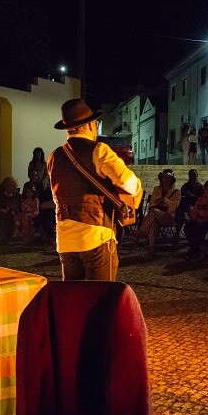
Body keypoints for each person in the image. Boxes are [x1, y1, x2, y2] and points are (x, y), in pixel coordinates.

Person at [48, 98, 142, 281]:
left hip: (65, 238)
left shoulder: (54, 157)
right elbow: (128, 183)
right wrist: (137, 190)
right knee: (101, 298)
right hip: (95, 235)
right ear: (91, 125)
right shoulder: (99, 150)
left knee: (74, 297)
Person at [137, 171, 180, 258]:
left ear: (172, 180)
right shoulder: (157, 189)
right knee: (153, 223)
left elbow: (174, 207)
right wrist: (158, 203)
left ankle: (140, 232)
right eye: (164, 177)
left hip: (168, 217)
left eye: (168, 178)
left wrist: (164, 201)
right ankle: (152, 251)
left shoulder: (176, 192)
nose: (166, 179)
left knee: (154, 212)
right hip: (155, 216)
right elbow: (151, 204)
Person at [184, 180, 208, 260]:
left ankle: (195, 251)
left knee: (201, 229)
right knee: (187, 227)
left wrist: (206, 219)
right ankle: (196, 247)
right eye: (206, 189)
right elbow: (194, 212)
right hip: (199, 220)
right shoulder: (200, 200)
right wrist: (197, 218)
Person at [0, 176, 19, 245]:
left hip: (10, 211)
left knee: (11, 217)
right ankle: (2, 239)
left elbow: (17, 204)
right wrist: (3, 206)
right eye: (8, 185)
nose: (10, 188)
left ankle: (8, 237)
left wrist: (11, 208)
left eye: (12, 186)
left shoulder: (15, 194)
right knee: (1, 217)